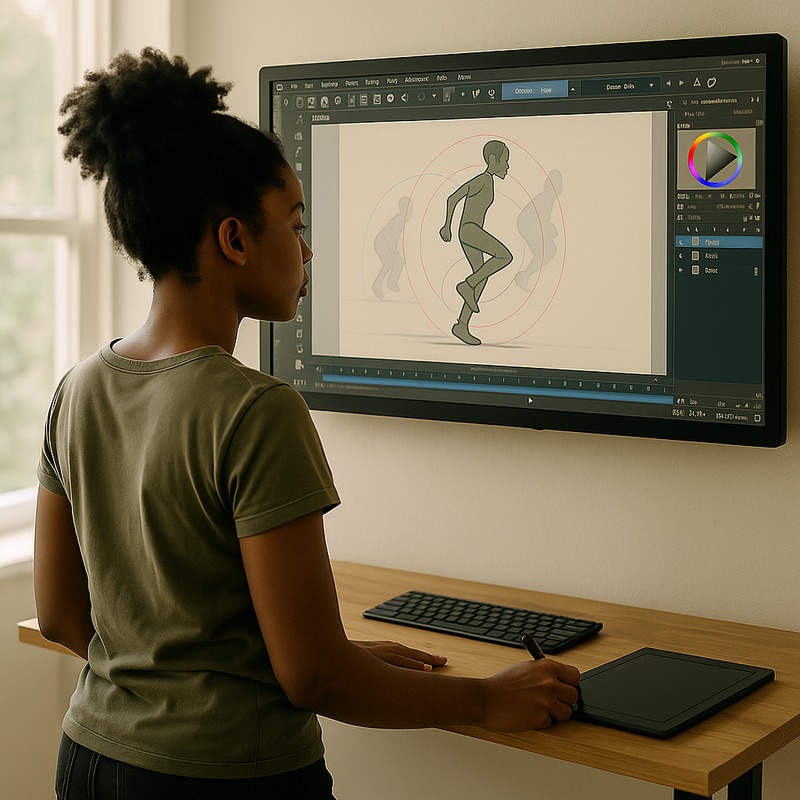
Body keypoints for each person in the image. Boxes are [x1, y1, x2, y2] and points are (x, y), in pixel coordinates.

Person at [34, 49, 580, 800]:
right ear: (234, 240)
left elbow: (62, 615)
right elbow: (315, 676)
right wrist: (487, 697)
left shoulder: (77, 390)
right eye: (294, 222)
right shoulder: (256, 410)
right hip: (223, 780)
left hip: (92, 760)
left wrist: (326, 650)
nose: (308, 248)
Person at [439, 140, 514, 346]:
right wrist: (447, 226)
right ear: (493, 160)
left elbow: (453, 199)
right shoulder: (483, 179)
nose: (507, 166)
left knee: (482, 276)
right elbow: (452, 198)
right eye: (505, 161)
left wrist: (449, 226)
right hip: (470, 231)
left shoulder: (488, 181)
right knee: (505, 256)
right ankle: (467, 284)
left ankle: (461, 325)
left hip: (471, 232)